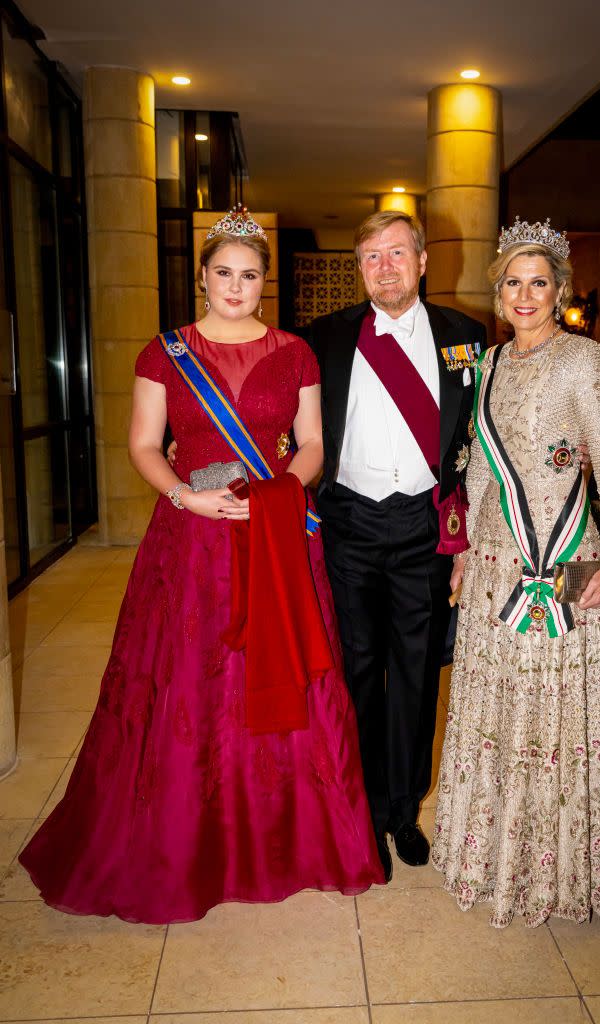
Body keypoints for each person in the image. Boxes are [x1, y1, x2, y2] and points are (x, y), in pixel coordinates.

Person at [19, 207, 384, 923]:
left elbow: (310, 445)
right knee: (189, 676)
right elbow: (144, 445)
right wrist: (186, 497)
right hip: (190, 539)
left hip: (276, 535)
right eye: (224, 273)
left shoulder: (296, 352)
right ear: (202, 278)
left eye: (249, 276)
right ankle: (184, 839)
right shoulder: (165, 354)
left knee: (279, 668)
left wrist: (282, 493)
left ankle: (289, 839)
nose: (236, 286)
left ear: (262, 284)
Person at [432, 217, 600, 927]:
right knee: (497, 704)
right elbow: (482, 469)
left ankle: (554, 867)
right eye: (512, 282)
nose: (524, 295)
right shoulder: (487, 365)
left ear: (559, 291)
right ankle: (490, 856)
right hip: (493, 560)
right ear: (498, 291)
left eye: (538, 282)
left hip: (567, 557)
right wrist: (461, 555)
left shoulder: (584, 360)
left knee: (555, 710)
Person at [306, 210, 487, 881]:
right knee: (356, 674)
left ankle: (403, 811)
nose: (384, 266)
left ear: (422, 259)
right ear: (359, 268)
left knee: (413, 675)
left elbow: (479, 440)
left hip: (422, 529)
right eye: (370, 257)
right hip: (348, 526)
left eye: (396, 253)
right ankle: (362, 807)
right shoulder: (323, 338)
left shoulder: (465, 336)